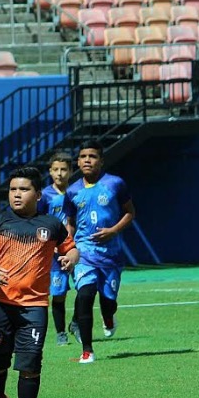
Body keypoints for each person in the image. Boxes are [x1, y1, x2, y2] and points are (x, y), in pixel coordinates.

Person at [0, 167, 79, 398]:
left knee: (30, 364)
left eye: (24, 189)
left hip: (34, 307)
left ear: (38, 194)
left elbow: (71, 248)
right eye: (13, 189)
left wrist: (70, 258)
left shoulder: (51, 224)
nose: (17, 194)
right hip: (1, 305)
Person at [64, 141, 136, 364]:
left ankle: (109, 316)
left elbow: (130, 213)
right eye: (83, 156)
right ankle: (87, 351)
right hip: (84, 252)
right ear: (78, 162)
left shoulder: (115, 184)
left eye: (93, 156)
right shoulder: (72, 190)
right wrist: (69, 246)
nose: (87, 160)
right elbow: (71, 222)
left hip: (111, 254)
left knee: (108, 301)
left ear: (101, 160)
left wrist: (113, 231)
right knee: (84, 296)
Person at [39, 151, 77, 346]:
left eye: (63, 169)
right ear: (50, 172)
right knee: (59, 294)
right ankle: (61, 332)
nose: (60, 173)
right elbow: (40, 223)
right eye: (56, 170)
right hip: (54, 252)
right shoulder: (45, 196)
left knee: (86, 286)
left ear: (70, 171)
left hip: (77, 248)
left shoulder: (77, 192)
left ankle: (77, 322)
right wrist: (50, 245)